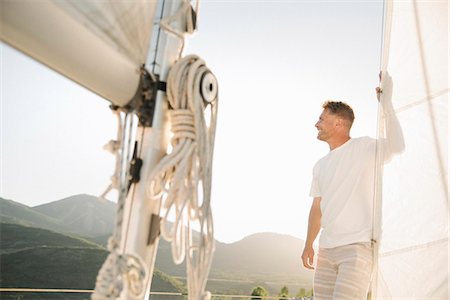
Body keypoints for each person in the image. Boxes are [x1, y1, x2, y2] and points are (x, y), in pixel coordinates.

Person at [301, 72, 404, 299]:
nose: (316, 124)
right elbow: (317, 208)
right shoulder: (320, 165)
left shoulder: (364, 148)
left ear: (339, 123)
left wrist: (386, 105)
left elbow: (397, 146)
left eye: (321, 119)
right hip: (326, 251)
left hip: (356, 249)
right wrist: (309, 244)